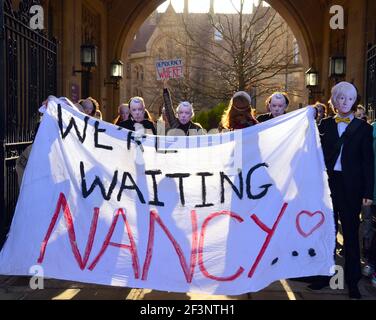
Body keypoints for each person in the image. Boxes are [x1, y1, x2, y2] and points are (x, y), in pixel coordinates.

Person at [308, 81, 374, 299]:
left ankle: (353, 281)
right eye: (340, 98)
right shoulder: (324, 125)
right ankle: (323, 275)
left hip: (352, 187)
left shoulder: (364, 128)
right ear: (334, 101)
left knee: (350, 234)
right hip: (328, 184)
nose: (344, 102)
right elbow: (313, 152)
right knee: (325, 231)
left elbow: (368, 162)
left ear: (354, 102)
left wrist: (368, 192)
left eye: (349, 99)